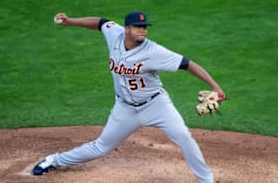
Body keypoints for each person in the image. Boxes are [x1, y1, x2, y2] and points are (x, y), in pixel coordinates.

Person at [32, 11, 226, 183]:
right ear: (126, 29)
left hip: (156, 105)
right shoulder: (114, 34)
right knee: (101, 147)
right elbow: (100, 22)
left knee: (184, 136)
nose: (143, 30)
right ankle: (54, 160)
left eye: (145, 27)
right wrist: (71, 21)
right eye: (138, 27)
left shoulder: (154, 51)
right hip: (124, 108)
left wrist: (216, 87)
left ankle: (206, 180)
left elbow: (188, 64)